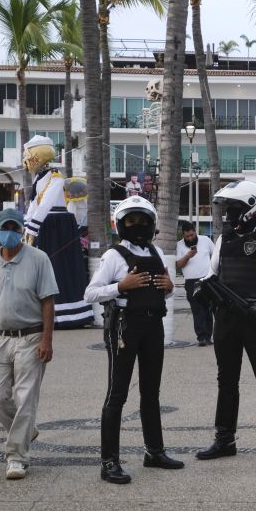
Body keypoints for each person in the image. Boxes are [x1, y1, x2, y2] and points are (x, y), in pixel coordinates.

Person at [195, 180, 256, 467]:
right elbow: (212, 273)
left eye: (234, 208)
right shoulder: (223, 239)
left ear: (251, 208)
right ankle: (225, 440)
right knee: (226, 381)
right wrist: (203, 289)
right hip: (226, 320)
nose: (229, 214)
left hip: (255, 319)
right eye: (227, 208)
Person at [84, 196, 181, 484]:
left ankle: (154, 452)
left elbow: (164, 288)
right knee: (117, 394)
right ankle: (109, 462)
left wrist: (170, 287)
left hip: (153, 326)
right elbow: (90, 293)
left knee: (151, 393)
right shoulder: (113, 256)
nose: (137, 225)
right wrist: (120, 286)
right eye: (131, 220)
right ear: (120, 224)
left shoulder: (157, 252)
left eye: (142, 220)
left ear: (151, 224)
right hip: (124, 328)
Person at [0, 209, 58, 480]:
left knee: (25, 399)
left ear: (22, 231)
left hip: (31, 338)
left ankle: (17, 458)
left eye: (14, 228)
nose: (9, 232)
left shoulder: (39, 258)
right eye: (5, 227)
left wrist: (47, 339)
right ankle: (26, 430)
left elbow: (48, 302)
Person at [21, 135, 92, 328]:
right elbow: (34, 205)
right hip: (46, 225)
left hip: (57, 225)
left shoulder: (56, 177)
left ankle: (67, 315)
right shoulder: (40, 178)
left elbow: (45, 204)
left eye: (27, 155)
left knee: (59, 269)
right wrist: (27, 227)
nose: (25, 160)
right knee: (43, 270)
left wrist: (32, 228)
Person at [176, 221, 215, 346]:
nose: (190, 238)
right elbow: (178, 265)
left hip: (207, 279)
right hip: (191, 282)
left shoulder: (205, 240)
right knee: (197, 310)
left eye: (192, 235)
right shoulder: (179, 245)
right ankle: (201, 337)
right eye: (187, 236)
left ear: (195, 231)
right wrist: (188, 256)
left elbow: (215, 255)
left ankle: (208, 336)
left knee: (208, 309)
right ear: (183, 235)